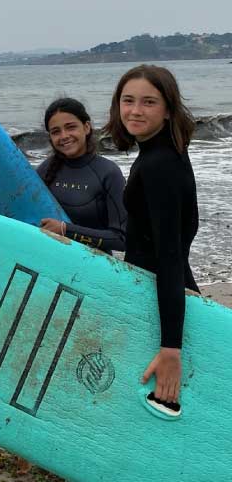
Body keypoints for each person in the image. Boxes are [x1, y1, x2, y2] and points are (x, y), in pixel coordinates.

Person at [103, 64, 198, 406]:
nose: (135, 111)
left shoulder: (159, 165)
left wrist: (170, 346)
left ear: (168, 109)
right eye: (128, 100)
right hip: (160, 297)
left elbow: (169, 255)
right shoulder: (162, 153)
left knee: (166, 408)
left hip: (160, 306)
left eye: (149, 102)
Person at [37, 97, 127, 254]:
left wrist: (66, 230)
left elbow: (121, 239)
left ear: (86, 127)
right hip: (51, 264)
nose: (64, 136)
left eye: (70, 127)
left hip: (94, 270)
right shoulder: (43, 170)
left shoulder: (108, 173)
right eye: (55, 132)